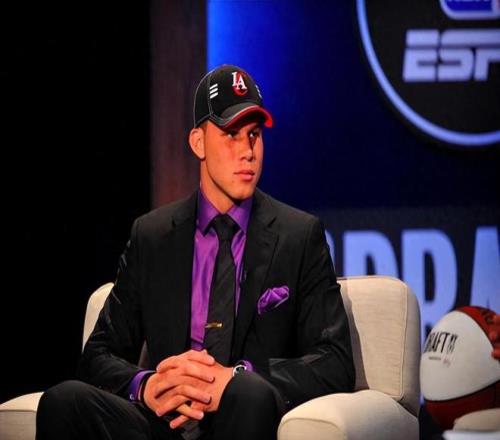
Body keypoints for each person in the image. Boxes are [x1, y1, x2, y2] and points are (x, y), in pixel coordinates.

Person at [36, 64, 355, 440]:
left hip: (244, 415)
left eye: (254, 135)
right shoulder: (152, 236)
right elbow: (97, 355)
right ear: (198, 142)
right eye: (231, 135)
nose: (248, 152)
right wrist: (147, 385)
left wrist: (236, 376)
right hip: (165, 423)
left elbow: (335, 362)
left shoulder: (298, 236)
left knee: (248, 394)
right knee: (63, 400)